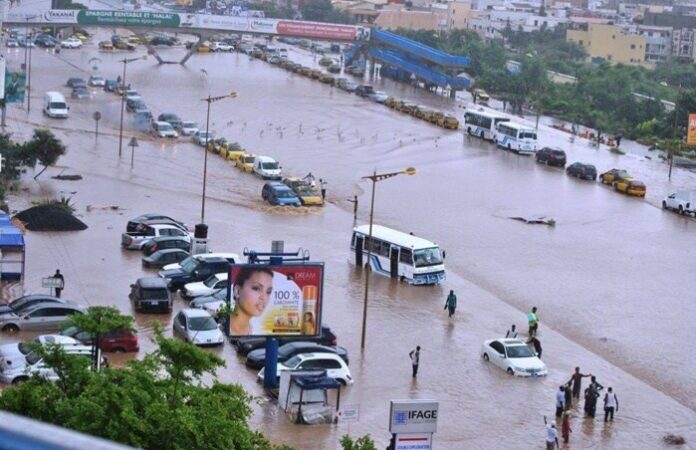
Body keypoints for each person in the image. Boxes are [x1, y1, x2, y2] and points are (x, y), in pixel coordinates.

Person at [230, 267, 273, 336]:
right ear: (237, 291)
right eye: (256, 288)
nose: (264, 298)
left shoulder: (255, 330)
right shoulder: (221, 331)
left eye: (268, 292)